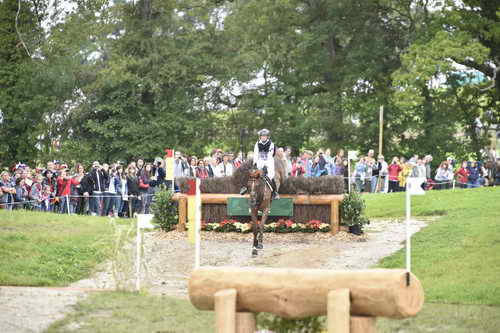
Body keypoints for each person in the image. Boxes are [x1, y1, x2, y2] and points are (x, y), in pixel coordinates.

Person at [240, 129, 279, 199]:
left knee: (270, 176)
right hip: (260, 161)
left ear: (267, 137)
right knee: (251, 173)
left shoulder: (271, 144)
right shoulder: (257, 144)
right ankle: (245, 187)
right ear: (260, 137)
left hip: (269, 162)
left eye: (265, 136)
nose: (263, 137)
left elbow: (270, 155)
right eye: (262, 136)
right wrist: (255, 163)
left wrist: (266, 166)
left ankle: (275, 192)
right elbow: (256, 154)